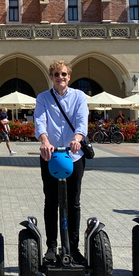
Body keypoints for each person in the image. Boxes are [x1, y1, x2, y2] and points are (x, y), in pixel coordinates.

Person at [34, 60, 89, 263]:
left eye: (64, 74)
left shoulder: (79, 96)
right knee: (51, 202)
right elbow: (40, 121)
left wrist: (77, 139)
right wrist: (44, 141)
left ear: (69, 76)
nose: (60, 78)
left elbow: (82, 121)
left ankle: (73, 248)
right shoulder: (43, 98)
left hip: (74, 156)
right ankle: (51, 246)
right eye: (56, 74)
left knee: (73, 203)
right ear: (51, 77)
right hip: (50, 155)